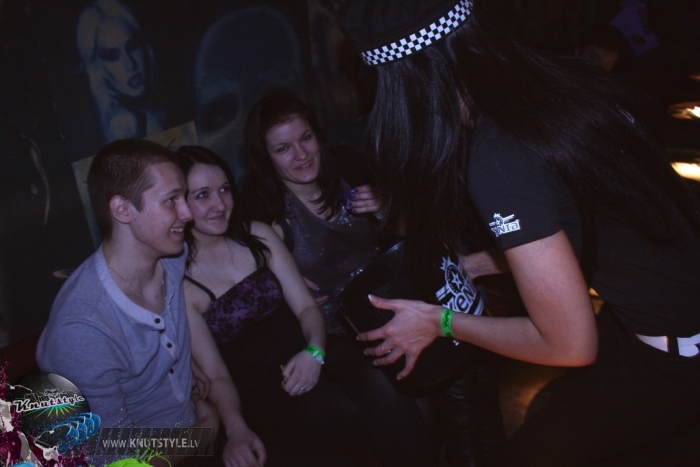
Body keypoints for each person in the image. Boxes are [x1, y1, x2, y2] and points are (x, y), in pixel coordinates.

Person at [338, 1, 700, 466]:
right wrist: (478, 263)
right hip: (664, 306)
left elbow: (568, 344)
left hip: (677, 350)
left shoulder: (499, 158)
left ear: (409, 81)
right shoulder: (563, 78)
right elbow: (590, 222)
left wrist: (439, 322)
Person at [37, 139, 265, 466]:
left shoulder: (172, 256)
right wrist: (204, 432)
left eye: (184, 197)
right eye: (171, 200)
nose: (187, 213)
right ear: (122, 210)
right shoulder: (83, 330)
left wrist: (181, 361)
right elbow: (112, 458)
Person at [241, 92, 437, 467]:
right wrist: (281, 280)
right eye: (283, 148)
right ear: (266, 157)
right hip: (332, 329)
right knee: (392, 394)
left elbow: (413, 234)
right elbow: (247, 284)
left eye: (306, 138)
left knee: (429, 399)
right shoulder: (260, 205)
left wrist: (387, 208)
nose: (301, 154)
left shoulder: (346, 164)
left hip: (390, 304)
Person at [176, 145, 372, 466]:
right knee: (343, 413)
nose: (219, 204)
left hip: (309, 350)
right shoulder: (183, 284)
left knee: (382, 377)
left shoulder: (258, 234)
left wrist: (315, 351)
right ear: (179, 204)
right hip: (263, 387)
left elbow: (306, 308)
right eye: (202, 195)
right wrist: (236, 428)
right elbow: (216, 375)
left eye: (224, 189)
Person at [76, 0, 164, 142]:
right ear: (97, 68)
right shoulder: (122, 123)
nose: (131, 64)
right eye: (113, 55)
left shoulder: (156, 108)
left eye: (132, 46)